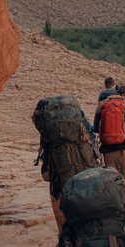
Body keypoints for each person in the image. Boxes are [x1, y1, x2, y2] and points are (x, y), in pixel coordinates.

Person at [31, 95, 98, 231]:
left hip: (58, 175)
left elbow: (44, 151)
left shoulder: (49, 127)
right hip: (83, 171)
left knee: (59, 211)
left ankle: (62, 236)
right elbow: (91, 136)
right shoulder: (78, 120)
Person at [93, 82, 125, 203]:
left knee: (112, 181)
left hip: (108, 151)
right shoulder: (122, 104)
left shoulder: (101, 106)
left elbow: (95, 129)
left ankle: (114, 205)